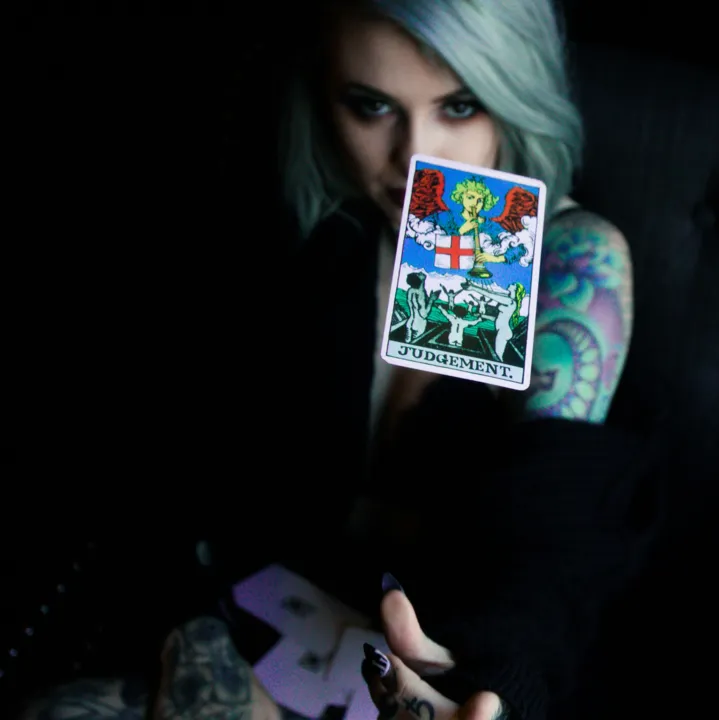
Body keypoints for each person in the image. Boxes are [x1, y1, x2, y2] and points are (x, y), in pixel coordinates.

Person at [16, 1, 643, 719]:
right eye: (372, 107)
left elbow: (548, 550)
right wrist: (197, 640)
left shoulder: (572, 262)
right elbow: (176, 463)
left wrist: (494, 691)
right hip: (250, 629)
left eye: (459, 106)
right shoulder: (314, 226)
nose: (417, 156)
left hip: (439, 671)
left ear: (516, 95)